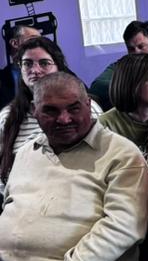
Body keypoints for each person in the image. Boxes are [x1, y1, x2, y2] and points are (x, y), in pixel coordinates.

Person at [0, 72, 148, 261]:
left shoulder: (121, 154)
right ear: (35, 111)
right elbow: (10, 209)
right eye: (51, 110)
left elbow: (124, 225)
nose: (64, 119)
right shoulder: (27, 153)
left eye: (73, 108)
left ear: (88, 105)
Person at [0, 37, 102, 188]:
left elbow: (102, 156)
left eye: (44, 63)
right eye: (27, 64)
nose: (35, 70)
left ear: (58, 67)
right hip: (21, 196)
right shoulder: (7, 116)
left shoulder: (87, 108)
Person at [1, 23, 39, 108]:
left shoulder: (56, 71)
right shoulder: (2, 78)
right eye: (33, 39)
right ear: (15, 43)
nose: (41, 44)